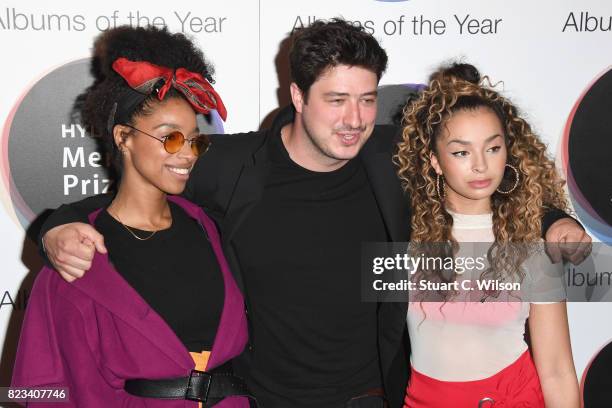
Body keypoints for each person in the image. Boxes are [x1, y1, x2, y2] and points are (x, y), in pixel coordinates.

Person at [37, 20, 590, 408]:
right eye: (335, 99)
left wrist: (550, 221)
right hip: (263, 397)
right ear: (298, 96)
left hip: (373, 396)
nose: (354, 119)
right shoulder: (232, 165)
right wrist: (54, 225)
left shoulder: (389, 158)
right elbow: (146, 177)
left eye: (368, 99)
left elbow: (477, 177)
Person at [12, 26, 254, 407]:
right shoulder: (76, 254)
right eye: (170, 137)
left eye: (195, 140)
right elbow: (39, 388)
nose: (188, 154)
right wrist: (53, 228)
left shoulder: (214, 231)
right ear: (124, 137)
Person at [395, 63, 580, 407]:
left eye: (492, 148)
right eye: (461, 152)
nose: (480, 165)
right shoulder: (403, 238)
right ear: (435, 161)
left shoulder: (531, 243)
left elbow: (556, 369)